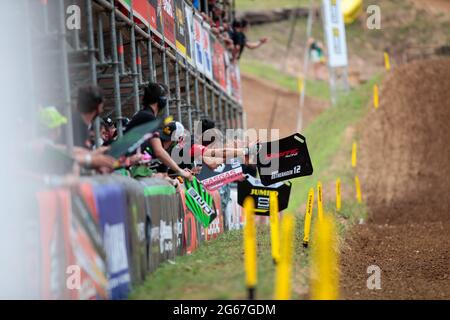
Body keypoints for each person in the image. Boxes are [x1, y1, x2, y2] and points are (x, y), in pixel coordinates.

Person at [126, 82, 193, 181]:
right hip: (129, 168)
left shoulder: (144, 115)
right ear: (161, 101)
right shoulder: (148, 117)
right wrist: (181, 171)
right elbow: (159, 151)